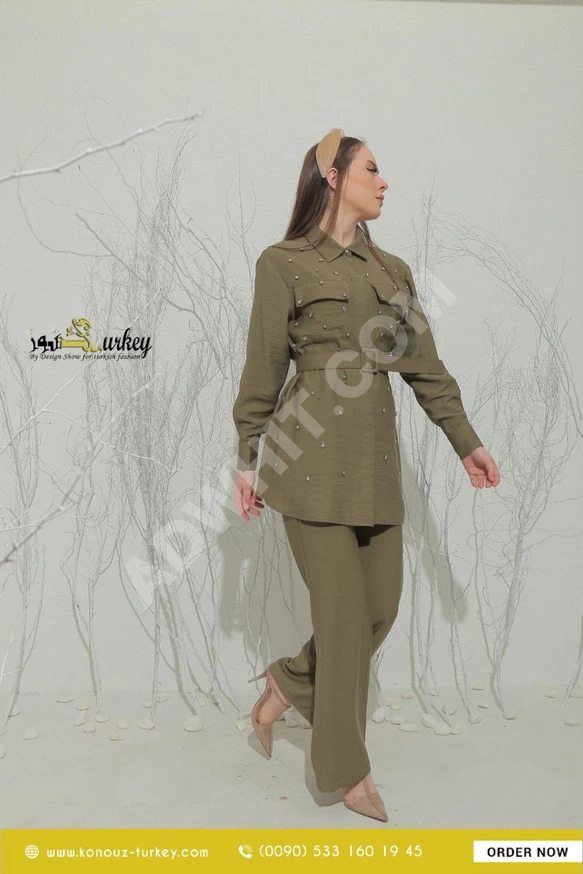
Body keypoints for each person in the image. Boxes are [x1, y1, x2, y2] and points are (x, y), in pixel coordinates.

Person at [232, 128, 501, 822]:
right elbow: (262, 369)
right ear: (332, 174)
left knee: (378, 611)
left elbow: (426, 369)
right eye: (371, 170)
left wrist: (465, 442)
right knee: (344, 621)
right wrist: (246, 457)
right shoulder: (282, 263)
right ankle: (346, 774)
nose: (384, 182)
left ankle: (285, 685)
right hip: (305, 467)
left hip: (375, 469)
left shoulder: (393, 272)